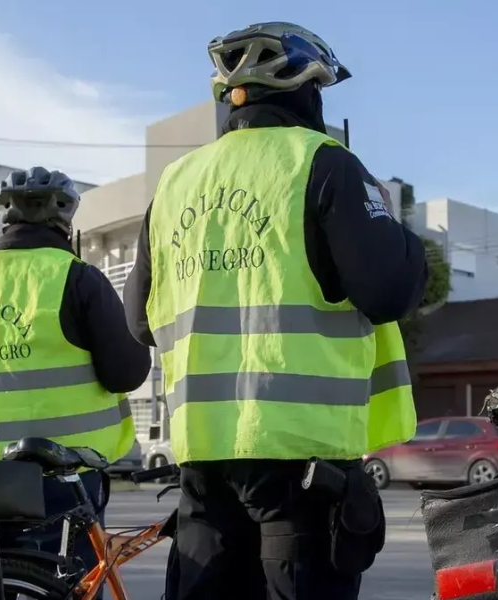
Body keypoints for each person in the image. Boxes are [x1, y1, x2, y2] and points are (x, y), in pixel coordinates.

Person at [121, 21, 428, 600]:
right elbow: (389, 290)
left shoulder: (174, 185)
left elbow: (140, 323)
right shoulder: (324, 162)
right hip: (301, 458)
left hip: (205, 456)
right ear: (309, 90)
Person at [0, 166, 150, 594]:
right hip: (61, 480)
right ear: (65, 220)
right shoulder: (77, 277)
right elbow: (127, 372)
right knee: (70, 586)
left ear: (6, 218)